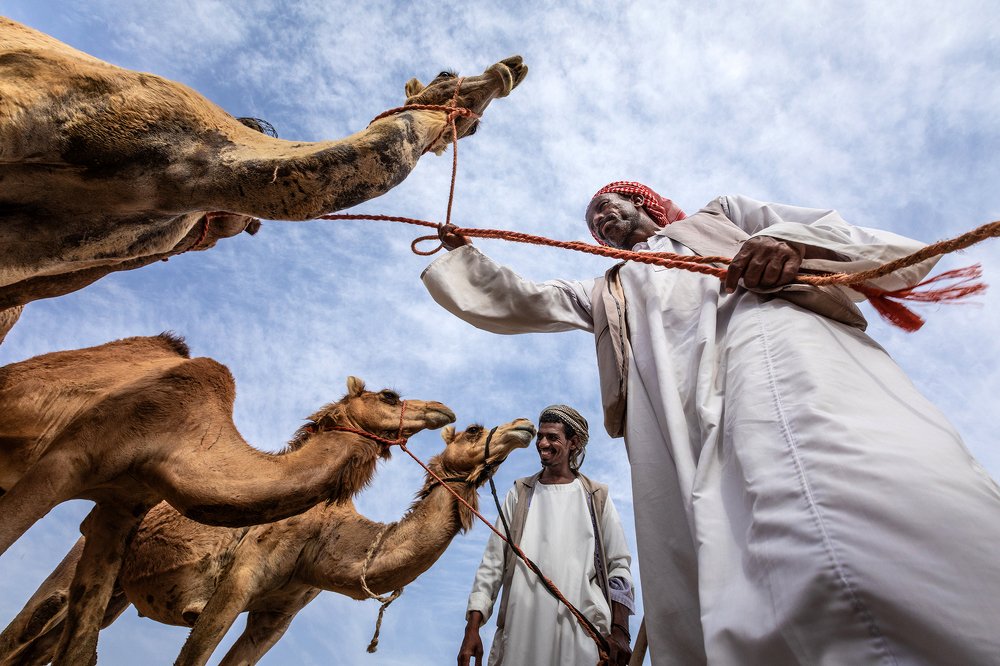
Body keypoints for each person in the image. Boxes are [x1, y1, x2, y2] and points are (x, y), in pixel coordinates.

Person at [426, 182, 1000, 665]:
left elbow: (823, 228)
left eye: (609, 206)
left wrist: (783, 245)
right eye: (594, 221)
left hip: (764, 342)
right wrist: (463, 256)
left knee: (828, 491)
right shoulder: (604, 290)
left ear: (646, 204)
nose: (602, 220)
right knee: (702, 567)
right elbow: (523, 297)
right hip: (668, 423)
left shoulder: (720, 218)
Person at [458, 405, 635, 666]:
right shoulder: (519, 494)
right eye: (541, 436)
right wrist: (471, 629)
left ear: (573, 443)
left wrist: (621, 633)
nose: (542, 443)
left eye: (552, 437)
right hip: (520, 636)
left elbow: (619, 568)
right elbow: (491, 566)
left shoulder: (596, 497)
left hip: (582, 640)